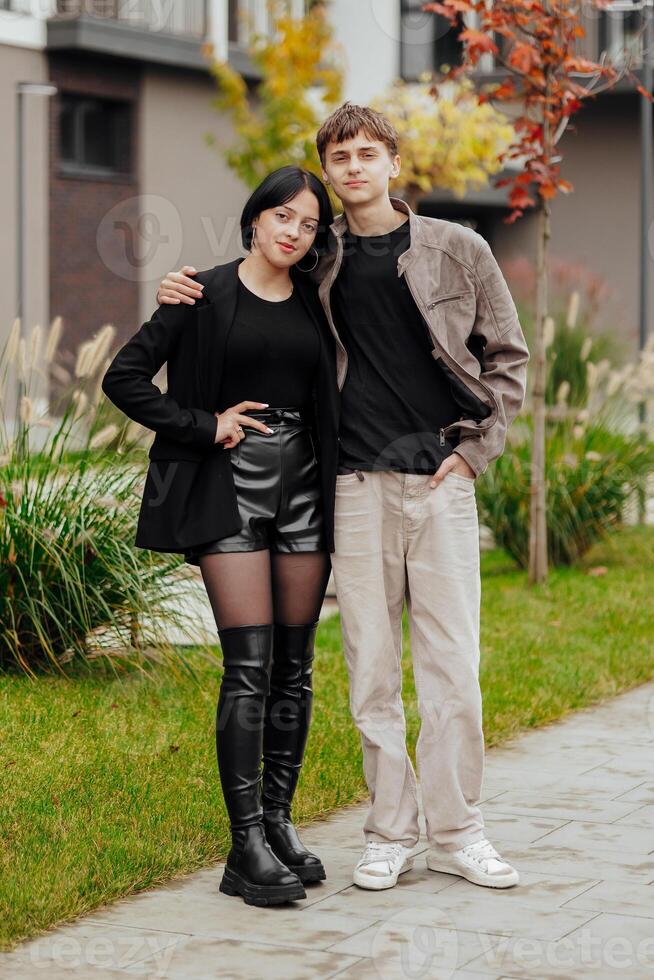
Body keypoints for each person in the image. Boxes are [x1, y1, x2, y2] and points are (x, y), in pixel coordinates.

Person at [157, 103, 530, 892]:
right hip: (350, 487)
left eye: (367, 153)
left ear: (394, 161)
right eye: (340, 157)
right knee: (371, 672)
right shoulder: (314, 261)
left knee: (453, 669)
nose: (354, 168)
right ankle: (389, 832)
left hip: (438, 483)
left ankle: (459, 833)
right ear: (327, 171)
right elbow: (246, 285)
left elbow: (508, 357)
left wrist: (474, 454)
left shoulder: (458, 249)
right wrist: (179, 286)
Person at [102, 166, 341, 907]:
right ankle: (244, 846)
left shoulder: (317, 297)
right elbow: (126, 377)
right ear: (255, 218)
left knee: (295, 668)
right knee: (250, 664)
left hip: (303, 482)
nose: (294, 231)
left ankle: (278, 823)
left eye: (307, 223)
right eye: (282, 216)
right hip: (228, 487)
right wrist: (205, 425)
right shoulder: (200, 292)